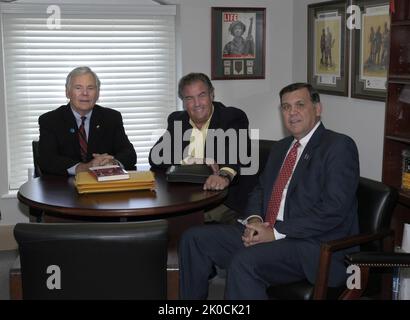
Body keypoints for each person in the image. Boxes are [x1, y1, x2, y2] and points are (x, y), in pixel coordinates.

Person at [178, 82, 360, 299]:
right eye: (285, 107)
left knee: (244, 262)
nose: (292, 113)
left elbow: (333, 210)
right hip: (269, 231)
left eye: (299, 105)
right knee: (193, 238)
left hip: (312, 246)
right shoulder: (281, 147)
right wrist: (254, 220)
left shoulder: (338, 146)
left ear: (317, 108)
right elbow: (260, 190)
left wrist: (275, 232)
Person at [149, 72, 250, 222]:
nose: (197, 104)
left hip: (222, 199)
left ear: (212, 95)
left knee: (184, 221)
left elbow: (236, 153)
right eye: (189, 98)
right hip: (183, 195)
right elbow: (155, 157)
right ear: (183, 102)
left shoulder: (231, 117)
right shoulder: (177, 119)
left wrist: (224, 175)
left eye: (201, 95)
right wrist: (191, 160)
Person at [38, 66, 137, 176]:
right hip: (63, 188)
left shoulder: (111, 118)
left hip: (103, 187)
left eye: (90, 88)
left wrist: (113, 162)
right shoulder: (50, 120)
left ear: (98, 93)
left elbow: (129, 154)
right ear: (67, 92)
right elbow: (47, 160)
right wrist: (83, 168)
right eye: (78, 88)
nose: (85, 93)